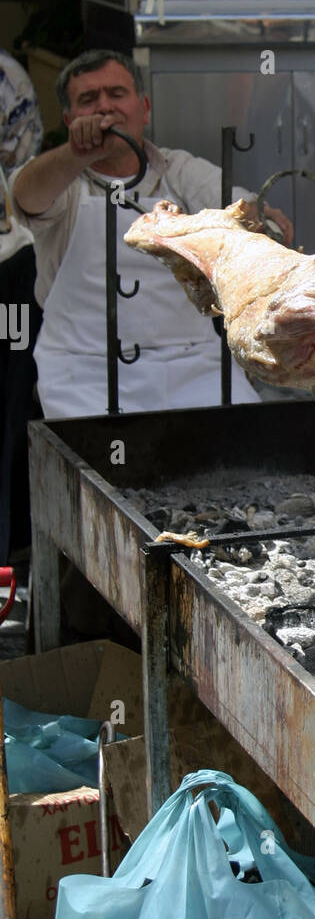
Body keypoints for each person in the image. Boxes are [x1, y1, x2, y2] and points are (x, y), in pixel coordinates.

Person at [11, 49, 294, 420]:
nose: (104, 108)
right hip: (83, 371)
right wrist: (76, 154)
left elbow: (237, 206)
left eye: (116, 94)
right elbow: (25, 195)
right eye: (88, 100)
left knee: (241, 453)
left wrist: (263, 217)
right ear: (68, 119)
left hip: (193, 364)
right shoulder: (63, 181)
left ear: (143, 108)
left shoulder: (178, 171)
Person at [0, 48, 43, 561]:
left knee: (12, 398)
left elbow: (21, 162)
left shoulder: (6, 77)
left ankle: (10, 547)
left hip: (8, 272)